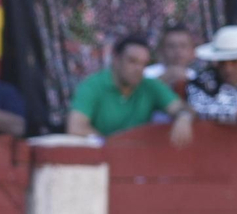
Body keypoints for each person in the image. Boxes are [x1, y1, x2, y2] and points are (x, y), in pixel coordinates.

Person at [67, 34, 195, 142]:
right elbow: (76, 127)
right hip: (102, 160)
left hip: (139, 158)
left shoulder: (149, 86)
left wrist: (184, 117)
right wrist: (111, 145)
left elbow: (181, 108)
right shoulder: (92, 85)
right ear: (116, 59)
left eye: (143, 63)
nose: (138, 68)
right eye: (132, 61)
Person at [144, 22, 196, 93]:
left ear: (191, 50)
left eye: (183, 46)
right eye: (171, 46)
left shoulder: (194, 77)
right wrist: (163, 79)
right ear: (162, 50)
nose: (177, 51)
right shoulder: (147, 75)